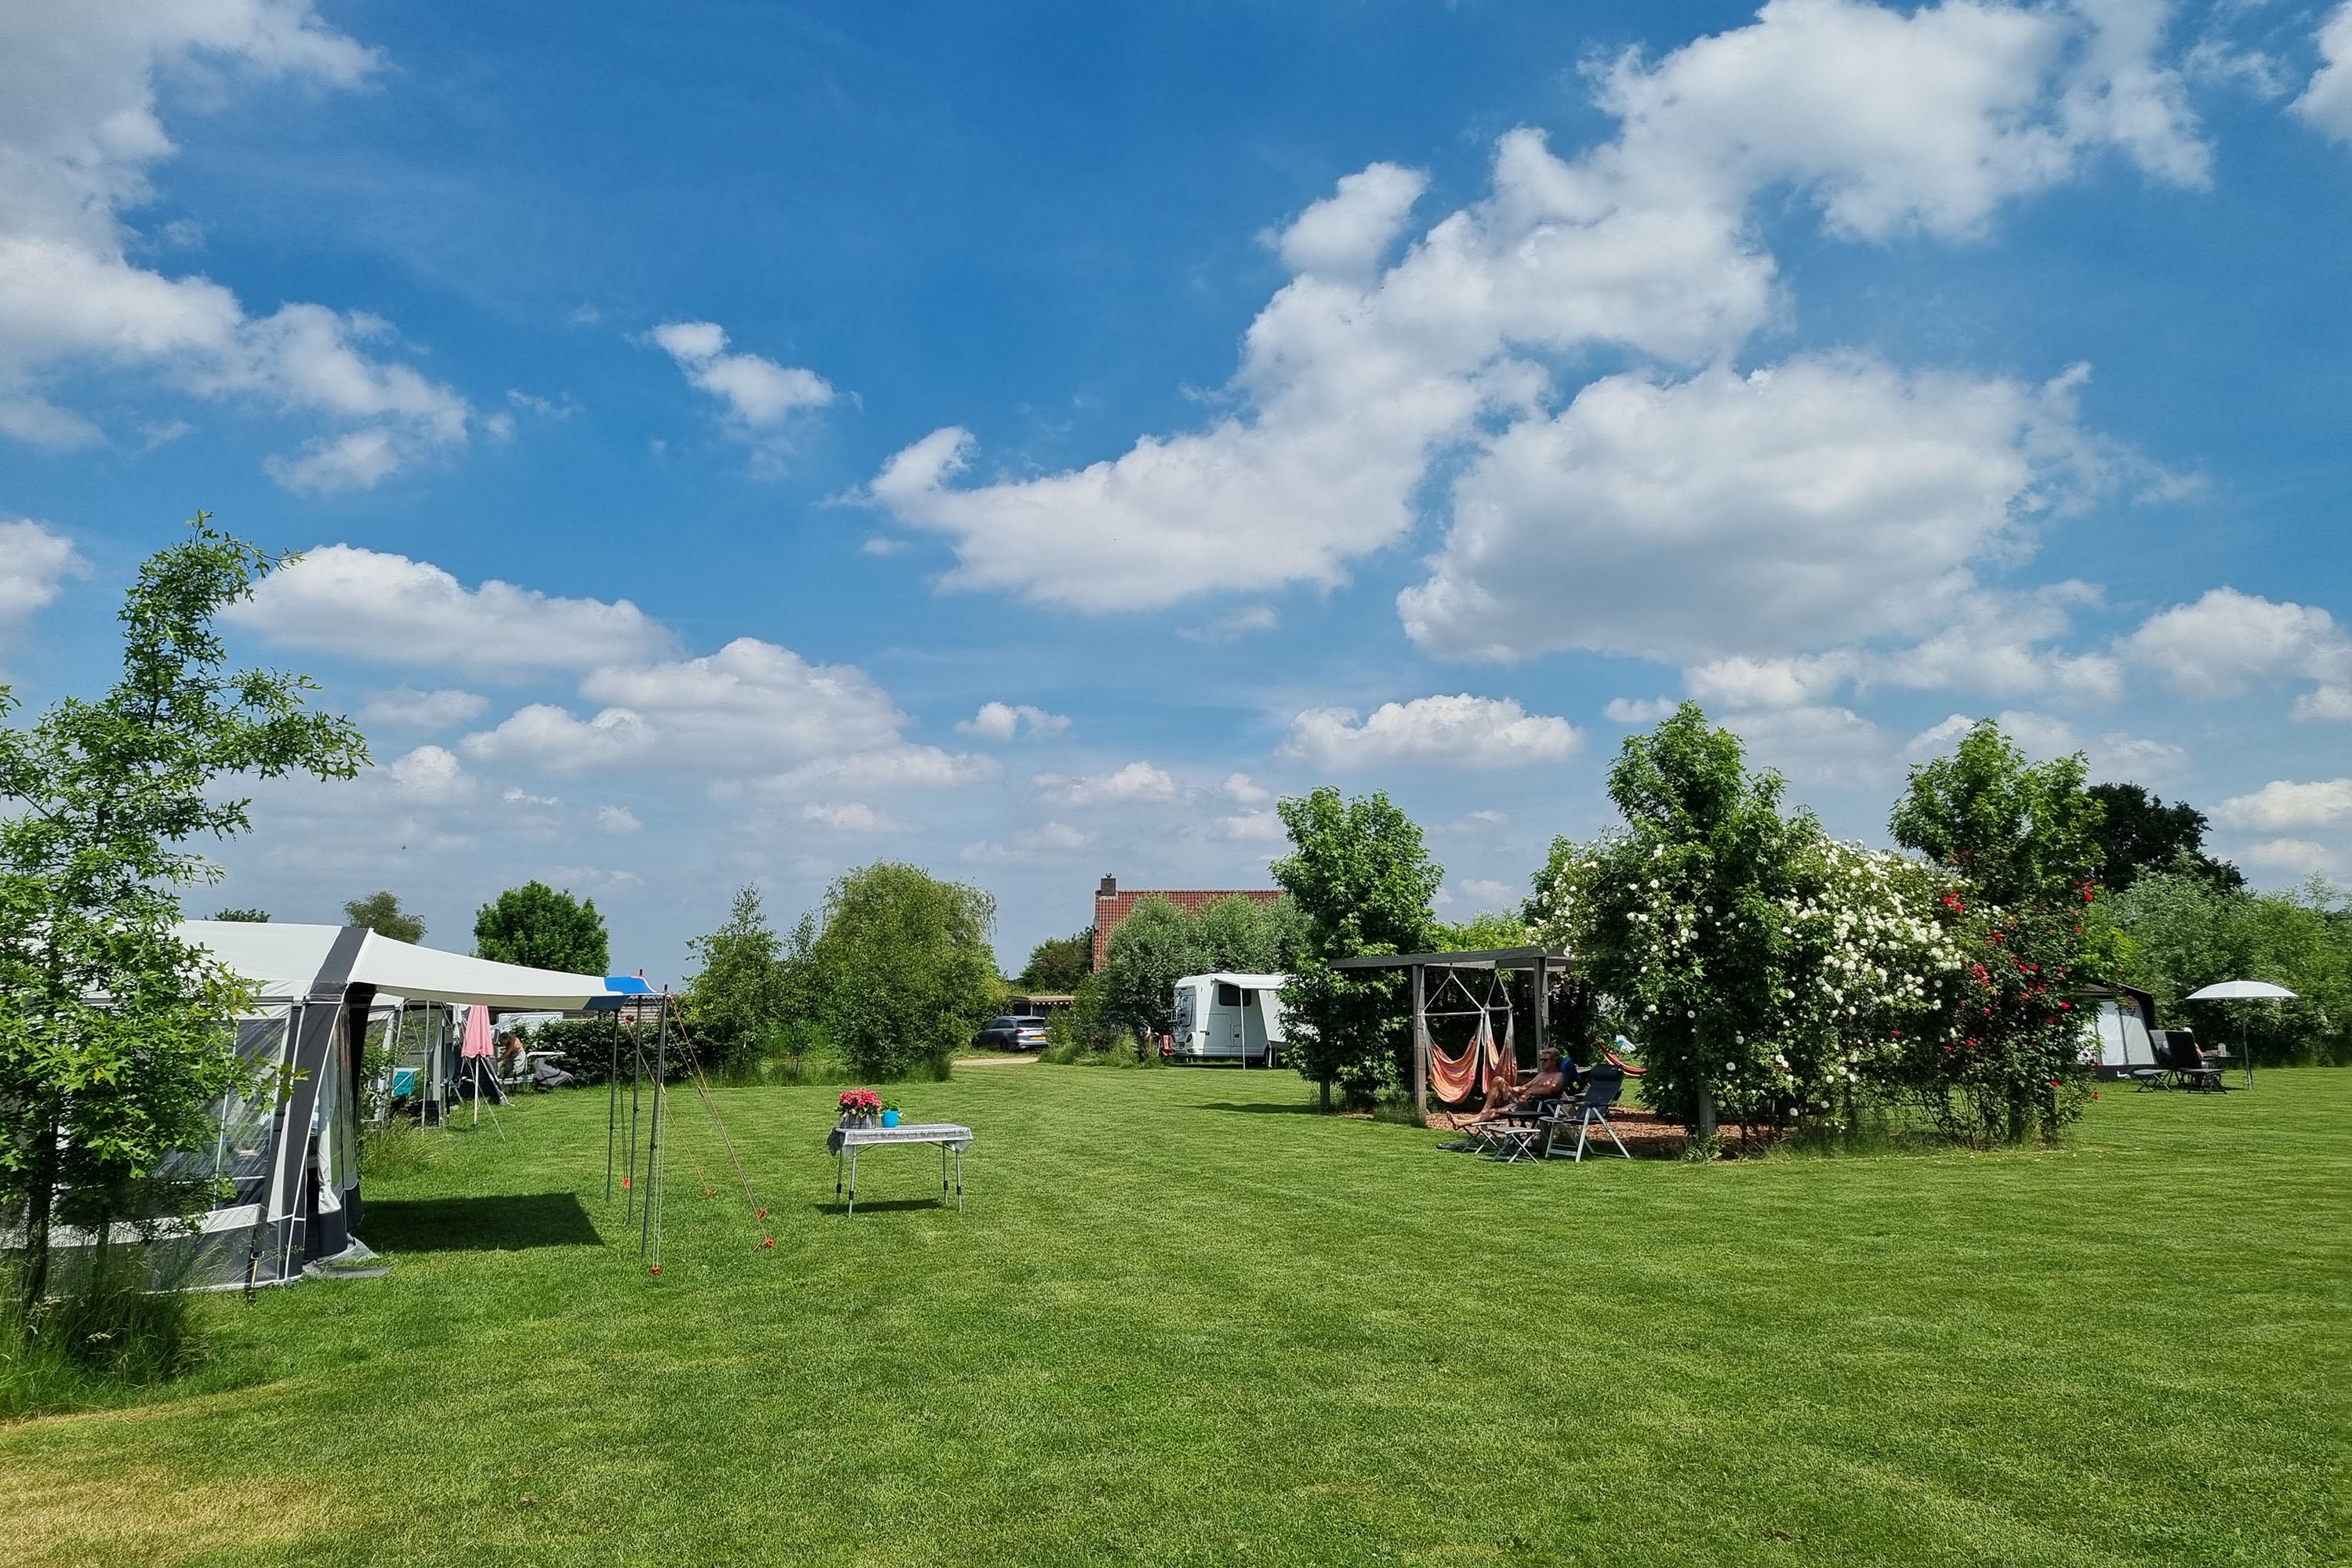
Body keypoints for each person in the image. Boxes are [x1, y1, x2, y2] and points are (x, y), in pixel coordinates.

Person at [1465, 1045, 1574, 1125]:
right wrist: (1505, 1089)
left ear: (1554, 1061)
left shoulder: (1559, 1075)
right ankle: (1483, 1110)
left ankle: (1463, 1123)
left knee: (1494, 1112)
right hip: (1522, 1102)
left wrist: (1530, 1092)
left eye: (1545, 1060)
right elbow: (1524, 1088)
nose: (1542, 1063)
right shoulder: (1541, 1075)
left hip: (1535, 1106)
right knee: (1498, 1081)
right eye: (1541, 1060)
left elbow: (1551, 1090)